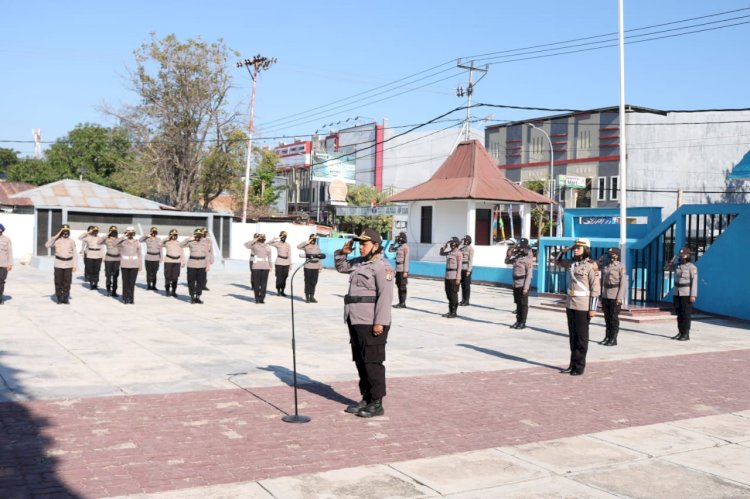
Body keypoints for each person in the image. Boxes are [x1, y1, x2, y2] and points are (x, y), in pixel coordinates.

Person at [334, 228, 394, 418]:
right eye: (359, 244)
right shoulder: (360, 263)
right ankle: (366, 398)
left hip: (372, 322)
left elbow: (385, 297)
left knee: (372, 363)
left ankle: (377, 402)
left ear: (375, 246)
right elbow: (342, 267)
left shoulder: (382, 267)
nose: (361, 247)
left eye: (364, 244)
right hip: (355, 318)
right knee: (360, 361)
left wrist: (380, 322)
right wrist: (342, 253)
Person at [555, 238, 600, 376]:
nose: (575, 249)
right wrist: (563, 251)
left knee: (581, 337)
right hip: (571, 303)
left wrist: (593, 308)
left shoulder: (591, 266)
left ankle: (579, 366)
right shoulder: (572, 263)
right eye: (574, 247)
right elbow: (557, 262)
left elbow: (595, 289)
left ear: (585, 249)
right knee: (572, 336)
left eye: (578, 248)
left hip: (583, 305)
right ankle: (572, 364)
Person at [665, 246, 698, 341]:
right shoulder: (677, 266)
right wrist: (673, 259)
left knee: (686, 314)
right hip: (677, 292)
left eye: (683, 255)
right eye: (681, 255)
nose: (682, 257)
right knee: (679, 314)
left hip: (686, 293)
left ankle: (686, 334)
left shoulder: (692, 267)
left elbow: (694, 281)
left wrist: (693, 295)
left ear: (688, 256)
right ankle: (680, 332)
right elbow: (666, 268)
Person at [598, 247, 628, 346]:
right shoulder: (606, 266)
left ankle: (613, 338)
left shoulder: (620, 266)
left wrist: (619, 297)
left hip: (615, 295)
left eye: (612, 254)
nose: (610, 256)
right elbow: (600, 277)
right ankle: (607, 336)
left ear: (617, 255)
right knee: (607, 317)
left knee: (613, 318)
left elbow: (623, 283)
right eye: (609, 254)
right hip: (606, 294)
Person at [45, 224, 78, 304]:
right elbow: (47, 245)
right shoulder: (56, 240)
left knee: (67, 282)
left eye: (67, 231)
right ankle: (59, 298)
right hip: (58, 264)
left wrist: (74, 265)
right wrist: (57, 235)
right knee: (58, 282)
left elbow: (75, 254)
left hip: (68, 264)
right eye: (64, 231)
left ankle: (66, 298)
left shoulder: (71, 241)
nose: (65, 233)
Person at [505, 238, 534, 329]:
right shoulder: (517, 257)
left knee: (523, 304)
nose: (519, 248)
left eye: (521, 247)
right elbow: (506, 262)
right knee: (518, 303)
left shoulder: (527, 259)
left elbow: (529, 274)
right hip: (516, 283)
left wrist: (526, 288)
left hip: (523, 284)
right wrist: (508, 254)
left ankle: (523, 322)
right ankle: (518, 321)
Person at [181, 228, 211, 304]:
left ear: (201, 235)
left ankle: (198, 296)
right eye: (196, 234)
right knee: (191, 281)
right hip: (192, 264)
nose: (198, 236)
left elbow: (207, 255)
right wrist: (188, 238)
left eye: (199, 235)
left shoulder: (205, 243)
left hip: (202, 264)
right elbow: (180, 245)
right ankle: (192, 296)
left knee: (200, 282)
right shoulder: (191, 242)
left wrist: (208, 265)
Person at [117, 227, 142, 304]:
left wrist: (140, 265)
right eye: (129, 232)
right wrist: (123, 236)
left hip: (134, 264)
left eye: (132, 232)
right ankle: (125, 298)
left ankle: (131, 298)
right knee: (125, 282)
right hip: (125, 264)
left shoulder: (137, 242)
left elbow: (139, 254)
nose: (130, 234)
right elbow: (114, 243)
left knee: (132, 282)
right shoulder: (122, 241)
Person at [439, 237, 463, 318]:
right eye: (450, 243)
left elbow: (460, 266)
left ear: (456, 244)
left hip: (454, 276)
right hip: (447, 276)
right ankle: (450, 311)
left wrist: (458, 278)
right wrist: (444, 246)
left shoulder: (459, 253)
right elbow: (441, 253)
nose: (451, 244)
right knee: (448, 294)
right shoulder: (449, 253)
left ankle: (454, 312)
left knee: (453, 295)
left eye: (453, 243)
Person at [245, 233, 272, 303]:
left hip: (265, 266)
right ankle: (257, 298)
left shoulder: (267, 247)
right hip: (256, 266)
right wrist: (255, 239)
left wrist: (271, 266)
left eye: (263, 238)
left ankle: (262, 298)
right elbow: (246, 245)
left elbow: (269, 257)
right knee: (257, 283)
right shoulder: (254, 245)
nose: (262, 239)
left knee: (264, 284)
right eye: (261, 238)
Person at [297, 234, 322, 303]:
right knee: (307, 282)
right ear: (310, 239)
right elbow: (298, 246)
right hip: (308, 266)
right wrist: (307, 242)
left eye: (314, 239)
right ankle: (307, 297)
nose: (313, 240)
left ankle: (312, 296)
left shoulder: (317, 247)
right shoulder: (306, 246)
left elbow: (320, 257)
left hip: (316, 266)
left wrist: (320, 266)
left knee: (314, 282)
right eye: (312, 239)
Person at [388, 231, 410, 308]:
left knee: (402, 287)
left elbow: (406, 260)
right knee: (398, 285)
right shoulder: (399, 247)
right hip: (397, 269)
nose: (398, 239)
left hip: (402, 270)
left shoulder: (405, 247)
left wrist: (405, 271)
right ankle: (400, 302)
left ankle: (403, 303)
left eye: (399, 238)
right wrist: (394, 242)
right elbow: (390, 250)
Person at [78, 226, 103, 290]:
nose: (95, 232)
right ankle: (91, 284)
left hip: (98, 255)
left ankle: (96, 284)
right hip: (90, 255)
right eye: (94, 231)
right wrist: (88, 232)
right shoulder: (88, 237)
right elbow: (79, 238)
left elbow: (102, 248)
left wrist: (103, 256)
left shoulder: (100, 238)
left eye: (96, 231)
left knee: (97, 270)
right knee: (91, 270)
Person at [162, 229, 185, 298]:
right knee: (168, 277)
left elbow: (182, 252)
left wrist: (183, 261)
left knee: (175, 277)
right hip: (168, 261)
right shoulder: (167, 242)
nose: (174, 236)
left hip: (177, 262)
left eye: (175, 235)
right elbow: (159, 244)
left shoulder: (179, 243)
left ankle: (174, 291)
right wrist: (167, 238)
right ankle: (167, 290)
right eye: (172, 235)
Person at [140, 227, 163, 291]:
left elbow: (160, 249)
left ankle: (154, 285)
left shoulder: (159, 239)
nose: (154, 233)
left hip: (156, 258)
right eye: (153, 232)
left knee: (155, 272)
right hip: (148, 258)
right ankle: (149, 285)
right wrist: (147, 235)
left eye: (155, 232)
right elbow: (140, 240)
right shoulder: (147, 239)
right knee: (149, 272)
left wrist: (161, 258)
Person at [269, 230, 292, 296]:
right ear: (280, 236)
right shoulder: (277, 243)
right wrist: (274, 239)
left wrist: (290, 264)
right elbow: (268, 243)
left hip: (286, 263)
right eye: (282, 236)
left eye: (285, 236)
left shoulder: (288, 245)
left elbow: (289, 255)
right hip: (279, 262)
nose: (284, 238)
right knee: (279, 277)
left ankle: (282, 291)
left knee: (285, 277)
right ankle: (278, 290)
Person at [101, 225, 121, 297]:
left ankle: (114, 291)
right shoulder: (106, 239)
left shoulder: (119, 240)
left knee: (115, 276)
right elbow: (99, 241)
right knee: (108, 276)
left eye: (115, 231)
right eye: (112, 231)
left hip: (117, 259)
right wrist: (107, 235)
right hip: (109, 259)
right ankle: (108, 290)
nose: (114, 233)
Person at [459, 235, 474, 306]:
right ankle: (463, 299)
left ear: (468, 241)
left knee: (466, 285)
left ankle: (467, 301)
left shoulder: (470, 249)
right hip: (461, 268)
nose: (464, 241)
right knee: (462, 285)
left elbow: (470, 260)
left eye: (465, 240)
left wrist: (469, 270)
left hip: (466, 269)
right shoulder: (462, 248)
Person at [0, 223, 13, 304]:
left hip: (3, 264)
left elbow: (10, 252)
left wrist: (10, 264)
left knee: (1, 281)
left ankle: (0, 297)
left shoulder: (7, 239)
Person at [199, 227, 213, 291]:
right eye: (203, 232)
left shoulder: (209, 240)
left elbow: (211, 250)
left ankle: (203, 285)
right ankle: (199, 284)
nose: (204, 234)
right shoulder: (198, 239)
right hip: (200, 257)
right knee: (199, 271)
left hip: (206, 258)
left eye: (205, 232)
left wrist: (211, 258)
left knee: (205, 272)